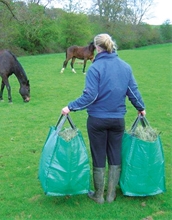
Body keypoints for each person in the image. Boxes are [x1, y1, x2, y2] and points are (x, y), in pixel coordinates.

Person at [61, 33, 146, 204]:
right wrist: (141, 108)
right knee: (115, 153)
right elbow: (133, 92)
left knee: (99, 154)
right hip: (117, 120)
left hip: (97, 121)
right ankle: (110, 195)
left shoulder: (94, 68)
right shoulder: (125, 67)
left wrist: (70, 107)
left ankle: (99, 195)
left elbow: (90, 96)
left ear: (97, 48)